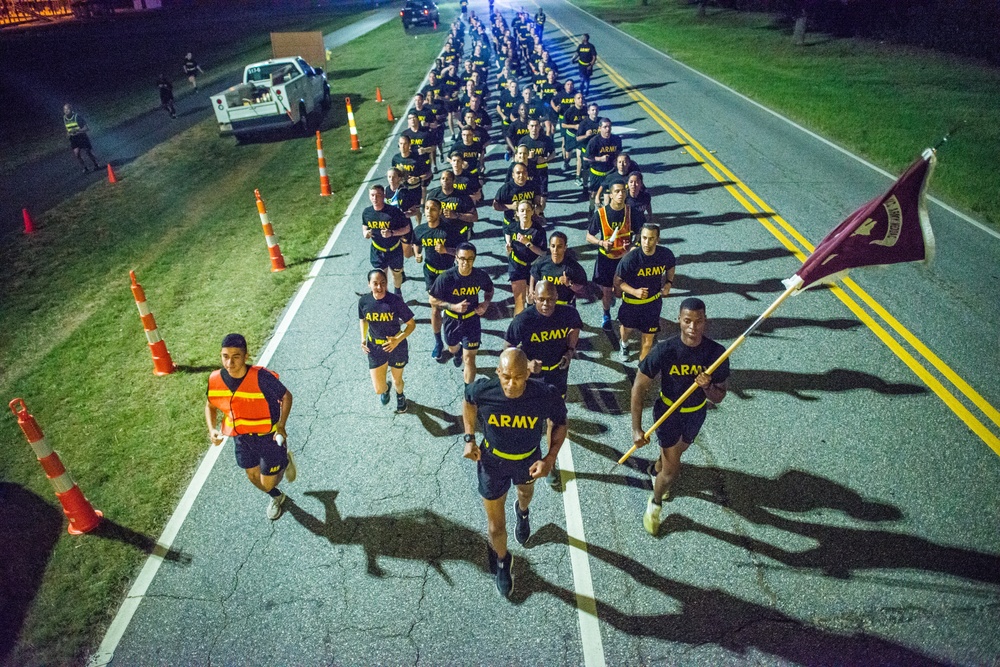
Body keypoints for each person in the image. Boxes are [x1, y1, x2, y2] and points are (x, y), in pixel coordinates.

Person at [462, 347, 568, 598]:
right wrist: (469, 438)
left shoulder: (544, 394)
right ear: (498, 372)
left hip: (527, 461)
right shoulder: (484, 390)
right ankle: (502, 560)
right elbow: (468, 402)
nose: (512, 384)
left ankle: (522, 512)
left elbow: (561, 422)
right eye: (506, 376)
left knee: (525, 493)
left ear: (528, 373)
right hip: (492, 463)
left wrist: (550, 458)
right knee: (496, 527)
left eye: (518, 377)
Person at [630, 298, 729, 535]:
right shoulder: (666, 350)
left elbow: (719, 397)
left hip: (696, 414)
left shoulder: (716, 353)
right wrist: (636, 428)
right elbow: (638, 387)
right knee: (672, 471)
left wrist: (707, 387)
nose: (693, 327)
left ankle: (657, 467)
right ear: (678, 320)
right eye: (687, 321)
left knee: (676, 453)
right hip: (667, 413)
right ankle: (654, 504)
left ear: (705, 321)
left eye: (698, 321)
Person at [206, 333, 294, 521]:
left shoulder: (261, 377)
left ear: (246, 356)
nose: (229, 363)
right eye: (225, 356)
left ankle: (283, 462)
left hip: (268, 437)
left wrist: (281, 425)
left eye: (236, 356)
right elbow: (210, 405)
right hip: (242, 438)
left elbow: (287, 396)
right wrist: (212, 429)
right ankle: (277, 497)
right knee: (253, 477)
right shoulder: (215, 379)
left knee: (267, 482)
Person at [428, 242, 494, 384]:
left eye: (470, 259)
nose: (466, 262)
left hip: (472, 320)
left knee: (469, 359)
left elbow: (489, 290)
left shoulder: (480, 276)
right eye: (462, 258)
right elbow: (432, 300)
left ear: (474, 259)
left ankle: (468, 392)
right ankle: (457, 352)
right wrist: (452, 306)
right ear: (456, 258)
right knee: (452, 348)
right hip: (451, 320)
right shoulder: (446, 278)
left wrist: (485, 303)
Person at [504, 281, 582, 400]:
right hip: (532, 376)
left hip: (558, 371)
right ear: (534, 297)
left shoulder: (568, 313)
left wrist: (570, 350)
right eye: (541, 299)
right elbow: (507, 349)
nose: (546, 304)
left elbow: (575, 327)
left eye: (550, 299)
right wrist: (527, 364)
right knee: (534, 410)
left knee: (556, 410)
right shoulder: (523, 320)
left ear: (556, 297)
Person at [586, 182, 645, 329]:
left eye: (623, 191)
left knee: (621, 291)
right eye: (617, 191)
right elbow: (588, 236)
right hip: (606, 260)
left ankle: (623, 307)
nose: (621, 194)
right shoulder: (600, 214)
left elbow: (640, 232)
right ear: (610, 195)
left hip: (624, 259)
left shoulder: (632, 212)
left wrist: (633, 245)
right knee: (606, 291)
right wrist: (601, 243)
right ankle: (606, 315)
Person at [614, 223, 676, 361]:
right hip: (631, 302)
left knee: (648, 341)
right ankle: (624, 344)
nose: (647, 242)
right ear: (640, 238)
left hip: (652, 303)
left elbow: (671, 266)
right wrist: (634, 292)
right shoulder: (630, 259)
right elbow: (617, 282)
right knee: (627, 329)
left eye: (651, 238)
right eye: (644, 238)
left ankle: (641, 369)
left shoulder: (665, 254)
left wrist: (668, 283)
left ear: (657, 239)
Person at [359, 269, 416, 414]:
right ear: (369, 284)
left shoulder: (395, 301)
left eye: (383, 283)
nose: (379, 287)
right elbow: (363, 319)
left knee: (397, 380)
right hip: (375, 347)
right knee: (379, 389)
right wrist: (363, 339)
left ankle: (400, 395)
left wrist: (397, 339)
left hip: (396, 346)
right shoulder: (364, 301)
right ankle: (386, 389)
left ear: (387, 283)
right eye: (375, 283)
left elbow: (411, 324)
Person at [413, 199, 462, 359]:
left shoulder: (449, 230)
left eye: (433, 209)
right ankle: (438, 342)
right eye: (426, 208)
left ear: (440, 211)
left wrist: (446, 250)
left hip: (448, 273)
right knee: (434, 307)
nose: (428, 212)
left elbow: (462, 253)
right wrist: (417, 254)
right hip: (431, 273)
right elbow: (416, 243)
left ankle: (455, 343)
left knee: (453, 309)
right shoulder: (420, 230)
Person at [362, 185, 411, 295]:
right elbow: (365, 225)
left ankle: (398, 291)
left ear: (384, 196)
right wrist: (366, 233)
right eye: (372, 195)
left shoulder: (394, 212)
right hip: (377, 250)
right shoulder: (367, 212)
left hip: (394, 249)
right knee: (381, 276)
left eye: (378, 195)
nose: (375, 198)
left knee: (396, 274)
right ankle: (386, 296)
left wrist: (392, 233)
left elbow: (407, 229)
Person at [504, 200, 547, 316]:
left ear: (532, 212)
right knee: (519, 301)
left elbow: (543, 253)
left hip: (533, 266)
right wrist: (508, 245)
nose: (525, 213)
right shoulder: (513, 227)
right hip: (516, 265)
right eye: (522, 211)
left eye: (528, 210)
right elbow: (507, 232)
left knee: (532, 298)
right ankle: (517, 329)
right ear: (517, 213)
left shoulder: (538, 230)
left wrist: (528, 243)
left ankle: (532, 320)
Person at [529, 231, 588, 307]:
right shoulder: (542, 263)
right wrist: (531, 290)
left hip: (565, 307)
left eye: (559, 246)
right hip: (545, 306)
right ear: (549, 246)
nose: (555, 250)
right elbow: (533, 273)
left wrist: (570, 284)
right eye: (553, 246)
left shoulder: (573, 267)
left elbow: (583, 289)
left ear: (565, 247)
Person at [425, 170, 478, 240]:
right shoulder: (433, 195)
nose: (445, 181)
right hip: (441, 232)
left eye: (448, 179)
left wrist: (456, 215)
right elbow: (428, 212)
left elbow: (474, 217)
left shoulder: (463, 196)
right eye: (443, 178)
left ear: (453, 180)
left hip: (459, 232)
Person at [517, 118, 555, 213]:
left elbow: (553, 153)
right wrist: (526, 158)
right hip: (528, 172)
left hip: (541, 172)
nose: (534, 128)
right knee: (529, 198)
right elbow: (516, 158)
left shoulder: (546, 140)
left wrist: (545, 159)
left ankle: (539, 214)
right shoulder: (523, 141)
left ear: (539, 127)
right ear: (528, 127)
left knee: (542, 199)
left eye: (536, 126)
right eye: (532, 126)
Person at [585, 117, 623, 210]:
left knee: (607, 197)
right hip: (596, 173)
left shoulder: (616, 139)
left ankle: (605, 217)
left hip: (610, 173)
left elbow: (619, 152)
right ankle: (591, 209)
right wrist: (599, 159)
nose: (608, 129)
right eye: (605, 127)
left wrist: (617, 160)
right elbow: (586, 158)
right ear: (599, 128)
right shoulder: (594, 141)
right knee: (593, 195)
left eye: (609, 127)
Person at [62, 104, 102, 173]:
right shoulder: (64, 118)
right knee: (77, 153)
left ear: (71, 109)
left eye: (67, 109)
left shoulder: (77, 117)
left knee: (88, 152)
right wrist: (68, 133)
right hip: (73, 138)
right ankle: (85, 168)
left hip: (81, 137)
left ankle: (96, 164)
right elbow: (67, 127)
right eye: (65, 109)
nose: (66, 111)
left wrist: (77, 130)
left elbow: (86, 128)